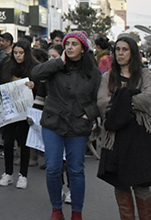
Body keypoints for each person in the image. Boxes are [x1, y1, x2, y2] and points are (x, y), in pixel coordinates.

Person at [31, 30, 101, 220]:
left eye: (74, 44)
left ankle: (77, 212)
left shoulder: (93, 73)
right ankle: (56, 209)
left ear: (83, 48)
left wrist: (89, 114)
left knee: (76, 169)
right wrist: (57, 62)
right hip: (53, 123)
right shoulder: (55, 66)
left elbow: (100, 99)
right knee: (53, 167)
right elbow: (35, 73)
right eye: (67, 44)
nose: (69, 47)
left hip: (78, 125)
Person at [97, 36, 151, 220]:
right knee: (120, 185)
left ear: (133, 52)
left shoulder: (145, 74)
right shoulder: (108, 76)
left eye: (125, 49)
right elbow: (102, 102)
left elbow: (148, 98)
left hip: (139, 138)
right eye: (117, 49)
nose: (120, 53)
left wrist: (120, 101)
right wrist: (128, 101)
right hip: (116, 138)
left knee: (142, 186)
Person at [0, 39, 38, 189]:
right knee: (8, 141)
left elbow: (41, 87)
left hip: (26, 109)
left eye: (21, 53)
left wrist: (33, 86)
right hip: (9, 109)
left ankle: (23, 174)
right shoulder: (7, 64)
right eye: (15, 53)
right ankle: (8, 173)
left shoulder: (34, 67)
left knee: (24, 143)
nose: (18, 56)